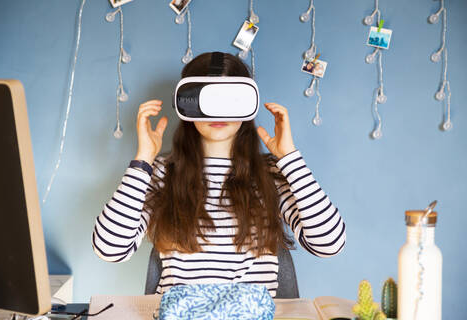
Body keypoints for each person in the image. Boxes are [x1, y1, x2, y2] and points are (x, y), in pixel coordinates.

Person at [91, 52, 346, 298]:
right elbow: (109, 249)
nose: (218, 112)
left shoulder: (271, 174)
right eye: (207, 100)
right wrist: (143, 159)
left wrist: (290, 158)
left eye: (229, 100)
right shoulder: (161, 173)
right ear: (186, 104)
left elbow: (329, 244)